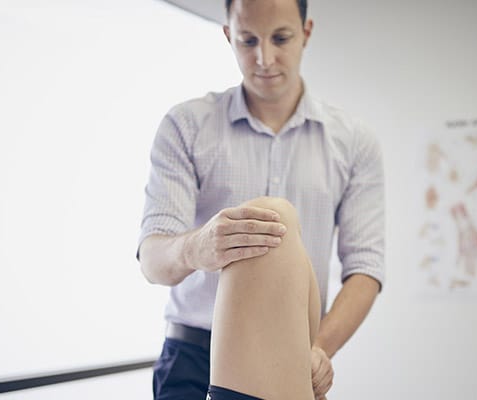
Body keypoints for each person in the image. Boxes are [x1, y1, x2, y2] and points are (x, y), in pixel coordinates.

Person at [138, 0, 384, 398]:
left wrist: (320, 348)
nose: (264, 58)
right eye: (248, 40)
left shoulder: (354, 143)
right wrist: (196, 248)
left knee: (276, 215)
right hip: (191, 353)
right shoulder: (186, 125)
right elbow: (152, 260)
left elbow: (366, 267)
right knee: (276, 214)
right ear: (227, 36)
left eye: (281, 38)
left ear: (306, 33)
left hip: (295, 351)